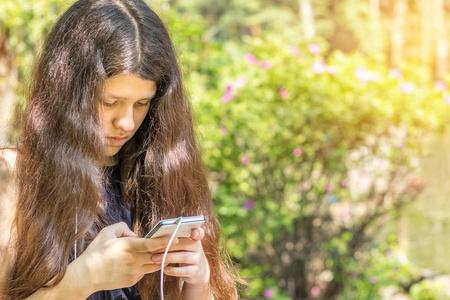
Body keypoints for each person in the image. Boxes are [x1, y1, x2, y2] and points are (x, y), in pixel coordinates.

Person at [0, 0, 240, 299]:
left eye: (142, 104)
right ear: (67, 92)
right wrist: (82, 280)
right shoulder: (14, 176)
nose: (126, 123)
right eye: (109, 102)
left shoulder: (161, 173)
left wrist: (198, 281)